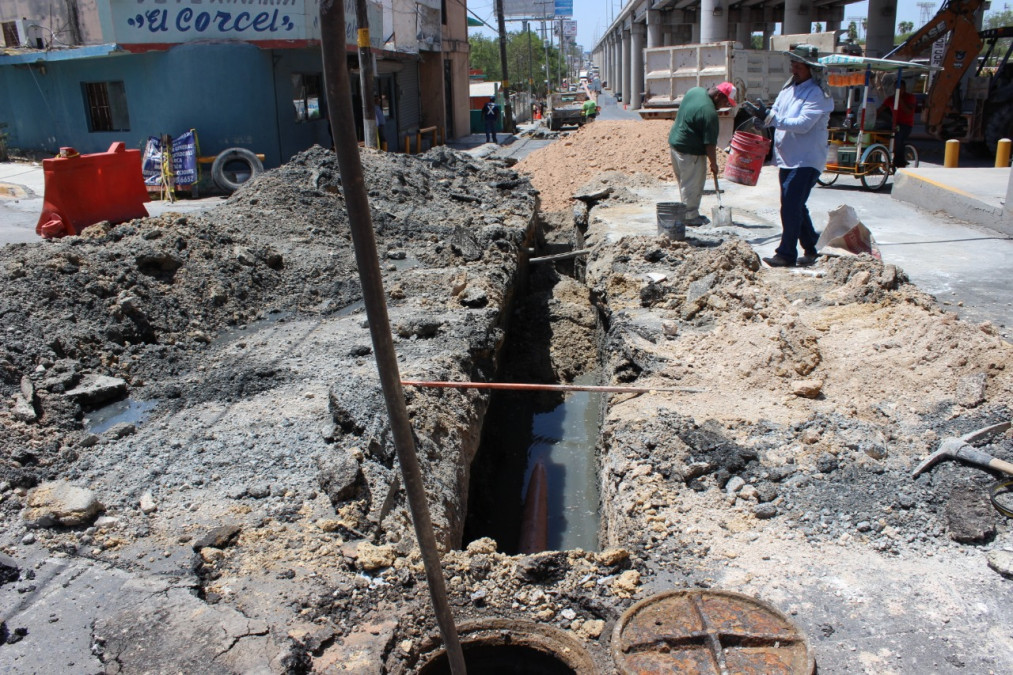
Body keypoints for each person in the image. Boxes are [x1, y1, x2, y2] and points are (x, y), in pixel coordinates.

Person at [746, 45, 834, 268]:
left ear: (811, 69)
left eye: (799, 65)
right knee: (796, 205)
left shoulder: (817, 94)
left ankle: (786, 254)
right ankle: (812, 248)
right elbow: (776, 114)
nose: (794, 69)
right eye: (793, 65)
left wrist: (771, 120)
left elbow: (803, 125)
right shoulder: (788, 90)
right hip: (787, 158)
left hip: (806, 159)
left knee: (790, 205)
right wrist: (763, 118)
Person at [667, 81, 737, 226]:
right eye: (725, 101)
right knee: (693, 184)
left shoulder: (695, 91)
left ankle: (686, 211)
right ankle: (690, 216)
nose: (724, 105)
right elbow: (710, 144)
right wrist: (713, 163)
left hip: (675, 145)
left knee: (685, 183)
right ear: (718, 95)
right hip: (690, 151)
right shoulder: (709, 112)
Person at [877, 80, 916, 168]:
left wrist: (900, 99)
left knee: (898, 139)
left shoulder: (910, 97)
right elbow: (880, 110)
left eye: (901, 88)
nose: (899, 90)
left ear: (904, 88)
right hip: (894, 124)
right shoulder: (890, 99)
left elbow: (909, 111)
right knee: (876, 133)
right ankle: (876, 158)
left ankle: (899, 163)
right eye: (897, 88)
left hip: (906, 125)